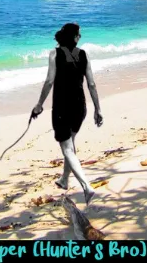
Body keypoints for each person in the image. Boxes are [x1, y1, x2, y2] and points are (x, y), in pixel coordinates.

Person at [32, 22, 103, 206]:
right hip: (80, 106)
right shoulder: (84, 54)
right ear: (73, 37)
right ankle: (64, 179)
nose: (80, 37)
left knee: (67, 149)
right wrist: (97, 108)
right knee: (70, 144)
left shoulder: (54, 54)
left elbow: (49, 81)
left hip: (62, 107)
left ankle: (87, 186)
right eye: (78, 35)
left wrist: (39, 104)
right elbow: (92, 84)